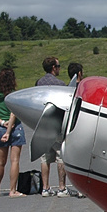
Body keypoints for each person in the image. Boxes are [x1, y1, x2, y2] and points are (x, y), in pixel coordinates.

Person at [0, 68, 26, 197]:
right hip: (15, 128)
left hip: (0, 128)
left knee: (0, 162)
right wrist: (8, 130)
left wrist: (2, 123)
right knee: (14, 161)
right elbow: (13, 113)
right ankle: (13, 190)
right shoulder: (14, 95)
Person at [35, 58, 70, 196]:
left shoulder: (39, 83)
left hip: (43, 124)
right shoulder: (60, 84)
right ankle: (62, 187)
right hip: (56, 124)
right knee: (60, 156)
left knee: (45, 158)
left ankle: (45, 187)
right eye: (58, 66)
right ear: (54, 68)